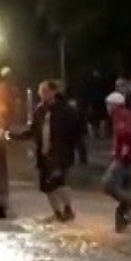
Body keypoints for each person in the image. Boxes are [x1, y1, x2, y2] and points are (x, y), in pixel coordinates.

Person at [13, 79, 84, 222]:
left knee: (58, 181)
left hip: (60, 154)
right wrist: (14, 136)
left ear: (53, 92)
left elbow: (76, 132)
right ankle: (58, 213)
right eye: (40, 91)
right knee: (46, 186)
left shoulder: (65, 111)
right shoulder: (40, 110)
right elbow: (33, 130)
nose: (42, 94)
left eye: (45, 91)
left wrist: (78, 151)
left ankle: (68, 208)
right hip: (44, 153)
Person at [105, 90, 131, 231]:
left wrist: (120, 153)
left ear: (114, 105)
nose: (107, 108)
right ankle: (121, 227)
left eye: (108, 105)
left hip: (125, 159)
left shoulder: (120, 116)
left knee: (108, 185)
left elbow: (125, 133)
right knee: (125, 190)